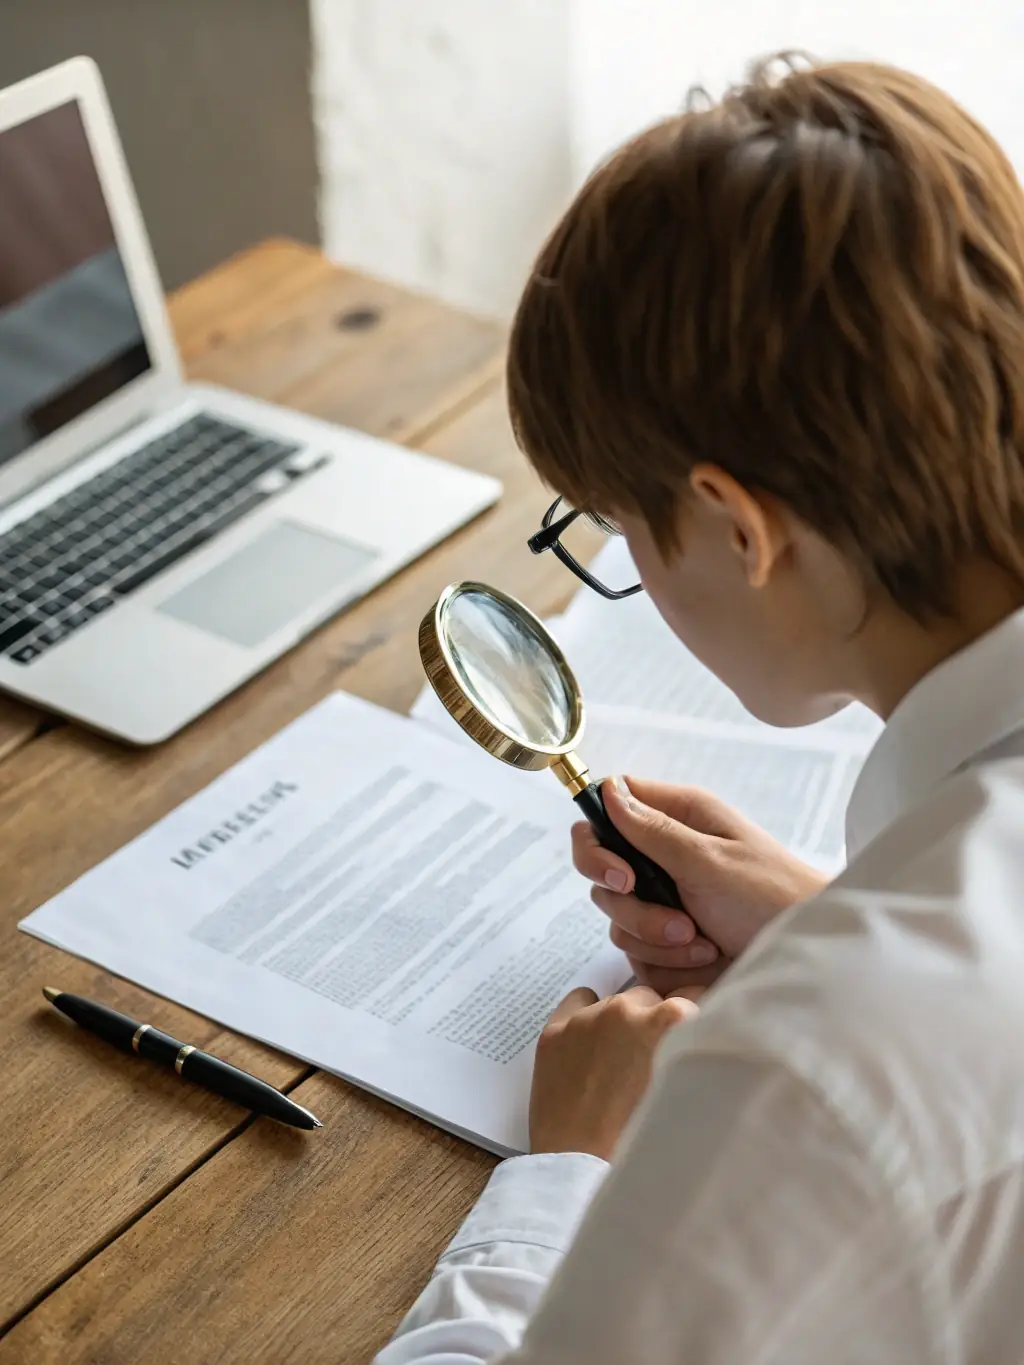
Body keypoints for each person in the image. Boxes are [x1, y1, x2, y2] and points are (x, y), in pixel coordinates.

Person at [376, 54, 1024, 1363]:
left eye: (621, 526)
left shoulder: (799, 1074)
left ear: (736, 526)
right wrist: (828, 925)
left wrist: (568, 1166)